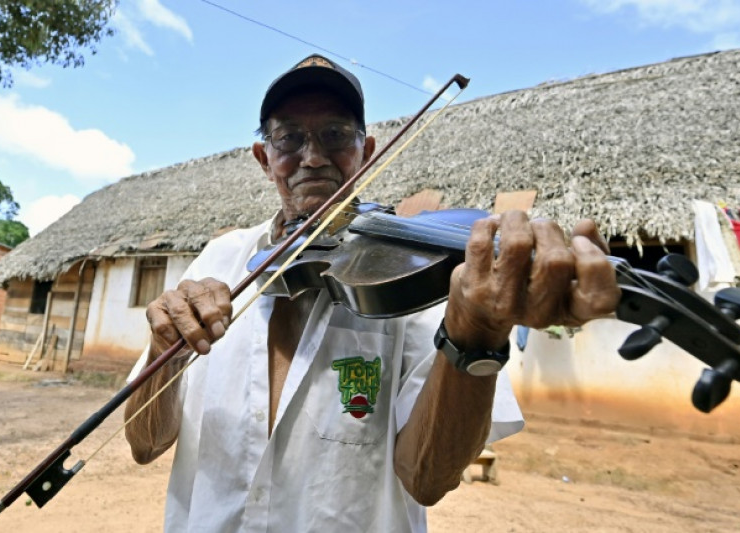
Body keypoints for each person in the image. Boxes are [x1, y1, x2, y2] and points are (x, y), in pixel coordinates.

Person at [124, 54, 620, 532]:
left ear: (368, 152)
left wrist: (476, 334)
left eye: (336, 135)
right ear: (264, 157)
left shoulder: (418, 280)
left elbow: (426, 478)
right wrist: (163, 350)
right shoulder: (219, 261)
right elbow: (145, 444)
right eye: (289, 138)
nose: (313, 157)